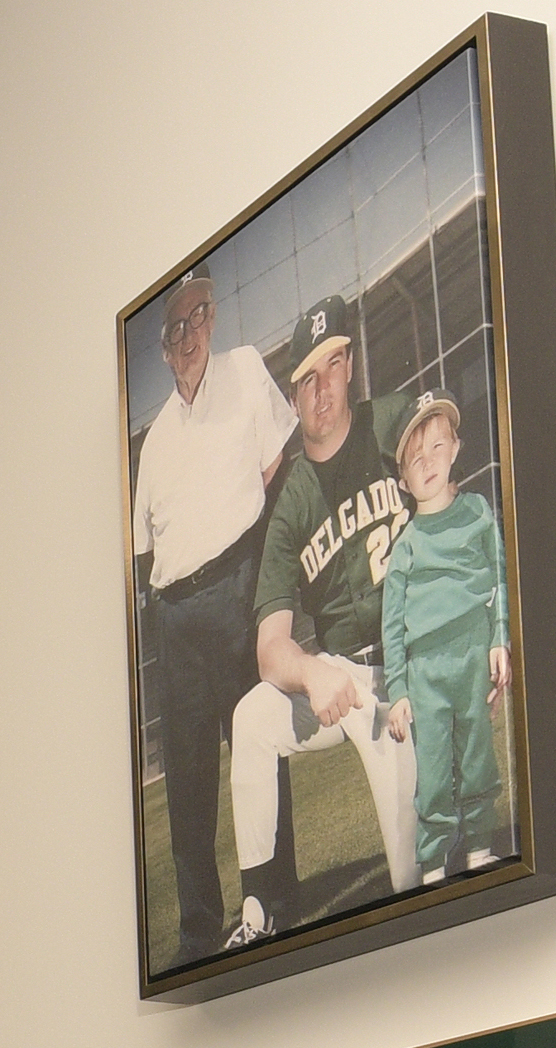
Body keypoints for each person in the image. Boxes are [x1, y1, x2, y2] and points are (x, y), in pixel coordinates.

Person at [224, 295, 426, 946]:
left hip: (412, 661)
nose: (321, 388)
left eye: (332, 366)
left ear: (350, 365)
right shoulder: (290, 506)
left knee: (416, 883)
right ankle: (257, 915)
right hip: (346, 677)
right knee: (252, 716)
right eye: (306, 377)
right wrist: (310, 672)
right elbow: (269, 648)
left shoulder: (393, 423)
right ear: (293, 394)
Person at [128, 269, 298, 965]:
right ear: (164, 352)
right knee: (189, 788)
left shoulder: (246, 369)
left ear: (214, 317)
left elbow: (276, 467)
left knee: (259, 744)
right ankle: (198, 934)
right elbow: (144, 550)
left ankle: (280, 904)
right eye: (173, 330)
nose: (188, 335)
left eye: (196, 318)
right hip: (176, 614)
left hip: (238, 587)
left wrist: (252, 572)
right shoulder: (154, 439)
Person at [378, 392, 514, 884]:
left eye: (437, 446)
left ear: (456, 447)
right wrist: (398, 692)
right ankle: (434, 863)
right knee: (433, 774)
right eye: (416, 458)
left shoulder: (478, 512)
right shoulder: (406, 548)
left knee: (478, 758)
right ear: (403, 482)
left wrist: (500, 640)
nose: (429, 461)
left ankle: (480, 846)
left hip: (474, 656)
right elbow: (392, 625)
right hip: (426, 675)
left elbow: (500, 578)